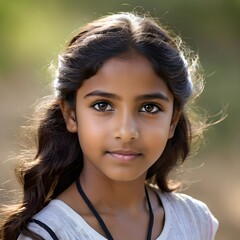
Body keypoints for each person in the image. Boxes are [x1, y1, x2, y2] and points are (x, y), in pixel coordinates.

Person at [0, 12, 218, 240]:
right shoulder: (47, 234)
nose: (126, 132)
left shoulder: (195, 221)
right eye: (102, 105)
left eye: (149, 108)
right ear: (71, 115)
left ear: (173, 120)